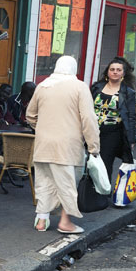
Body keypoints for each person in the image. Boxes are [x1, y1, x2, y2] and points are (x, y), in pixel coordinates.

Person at [26, 56, 101, 234]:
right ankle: (65, 222)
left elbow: (30, 115)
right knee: (67, 184)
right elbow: (88, 119)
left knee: (44, 182)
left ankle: (41, 220)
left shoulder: (43, 86)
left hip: (43, 144)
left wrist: (43, 129)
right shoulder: (79, 87)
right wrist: (93, 145)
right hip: (68, 145)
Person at [90, 57, 136, 182]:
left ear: (123, 73)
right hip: (92, 132)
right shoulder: (96, 88)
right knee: (89, 163)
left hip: (112, 133)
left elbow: (131, 117)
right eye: (112, 69)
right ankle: (87, 195)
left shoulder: (128, 93)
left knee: (105, 163)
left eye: (118, 70)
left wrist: (131, 139)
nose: (115, 72)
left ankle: (103, 195)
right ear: (107, 72)